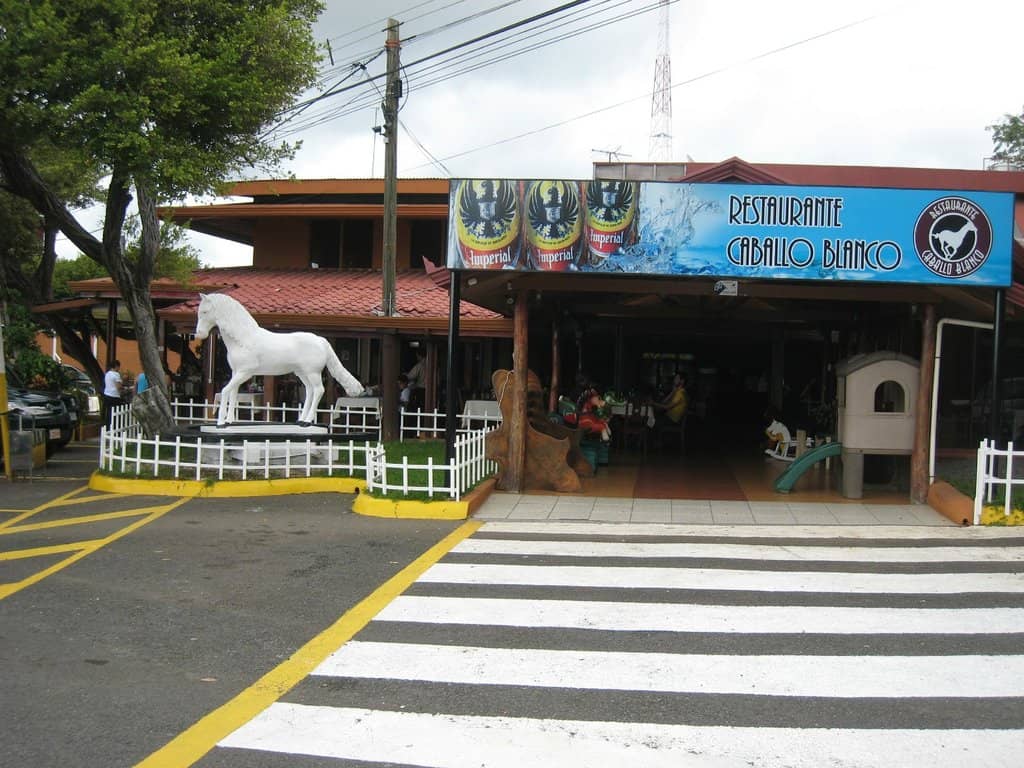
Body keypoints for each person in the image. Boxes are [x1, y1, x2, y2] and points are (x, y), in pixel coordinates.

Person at [102, 359, 123, 427]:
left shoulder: (107, 374)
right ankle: (114, 427)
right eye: (119, 366)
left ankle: (107, 426)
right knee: (115, 413)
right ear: (116, 366)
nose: (119, 368)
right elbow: (118, 387)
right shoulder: (116, 374)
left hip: (107, 394)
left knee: (108, 413)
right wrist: (124, 389)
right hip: (114, 396)